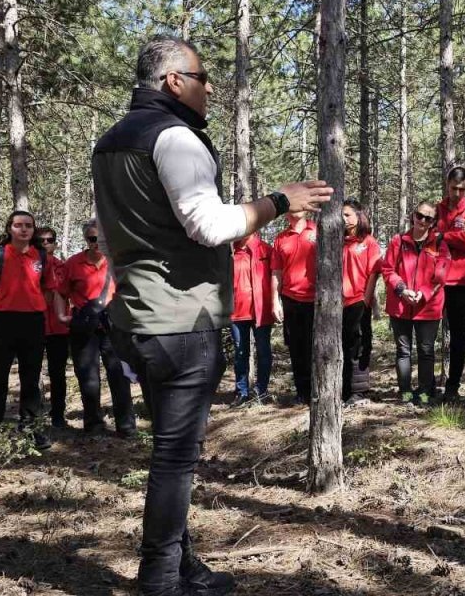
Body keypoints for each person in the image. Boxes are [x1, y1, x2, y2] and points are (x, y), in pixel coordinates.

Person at [91, 36, 329, 596]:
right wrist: (277, 201)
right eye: (202, 79)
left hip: (137, 318)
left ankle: (179, 566)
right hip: (180, 321)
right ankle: (158, 578)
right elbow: (208, 224)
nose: (209, 90)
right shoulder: (174, 137)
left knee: (171, 450)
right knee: (175, 459)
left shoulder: (110, 142)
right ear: (174, 81)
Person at [0, 210, 58, 450]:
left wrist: (37, 306)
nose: (24, 229)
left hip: (33, 323)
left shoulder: (42, 257)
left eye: (28, 226)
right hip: (3, 323)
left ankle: (31, 428)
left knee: (31, 379)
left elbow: (50, 290)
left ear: (33, 230)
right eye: (19, 225)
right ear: (10, 228)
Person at [59, 220, 135, 436]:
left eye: (101, 239)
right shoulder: (73, 263)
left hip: (114, 326)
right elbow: (61, 292)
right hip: (85, 327)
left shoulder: (118, 263)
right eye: (93, 239)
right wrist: (61, 315)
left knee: (119, 375)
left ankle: (126, 426)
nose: (97, 243)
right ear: (86, 240)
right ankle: (93, 425)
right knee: (88, 377)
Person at [381, 201, 450, 406]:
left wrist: (423, 293)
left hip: (428, 307)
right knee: (403, 351)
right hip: (400, 305)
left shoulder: (440, 244)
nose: (422, 221)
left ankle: (425, 393)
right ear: (413, 215)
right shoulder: (398, 241)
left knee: (426, 351)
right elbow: (387, 270)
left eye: (428, 218)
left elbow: (441, 276)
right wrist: (401, 289)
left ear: (433, 222)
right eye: (420, 215)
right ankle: (405, 394)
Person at [434, 167, 465, 402]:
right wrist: (447, 234)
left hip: (460, 279)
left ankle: (453, 385)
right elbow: (429, 235)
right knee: (428, 331)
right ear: (447, 184)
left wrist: (444, 235)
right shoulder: (437, 208)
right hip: (434, 278)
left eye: (462, 189)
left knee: (459, 334)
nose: (457, 193)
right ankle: (428, 382)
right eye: (453, 188)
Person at [271, 210, 318, 405]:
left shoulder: (319, 231)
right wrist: (275, 300)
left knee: (317, 347)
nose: (296, 210)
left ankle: (320, 388)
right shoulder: (281, 238)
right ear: (286, 213)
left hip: (317, 300)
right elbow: (276, 272)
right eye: (291, 207)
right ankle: (302, 392)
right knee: (296, 348)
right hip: (290, 299)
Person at [341, 198, 381, 405]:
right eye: (342, 214)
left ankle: (359, 391)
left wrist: (366, 301)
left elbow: (374, 273)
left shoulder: (369, 242)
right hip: (337, 305)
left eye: (347, 214)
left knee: (359, 346)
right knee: (342, 347)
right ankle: (344, 389)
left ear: (359, 216)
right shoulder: (336, 241)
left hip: (358, 301)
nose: (343, 218)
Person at [229, 231, 275, 405]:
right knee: (241, 352)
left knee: (264, 351)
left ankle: (261, 391)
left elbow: (277, 277)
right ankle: (241, 392)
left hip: (261, 310)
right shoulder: (230, 253)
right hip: (236, 313)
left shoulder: (266, 250)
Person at [37, 226, 72, 428]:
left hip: (59, 328)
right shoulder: (28, 267)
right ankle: (31, 415)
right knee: (31, 372)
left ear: (55, 243)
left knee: (57, 373)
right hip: (35, 326)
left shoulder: (64, 267)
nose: (45, 244)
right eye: (40, 241)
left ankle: (58, 415)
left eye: (49, 240)